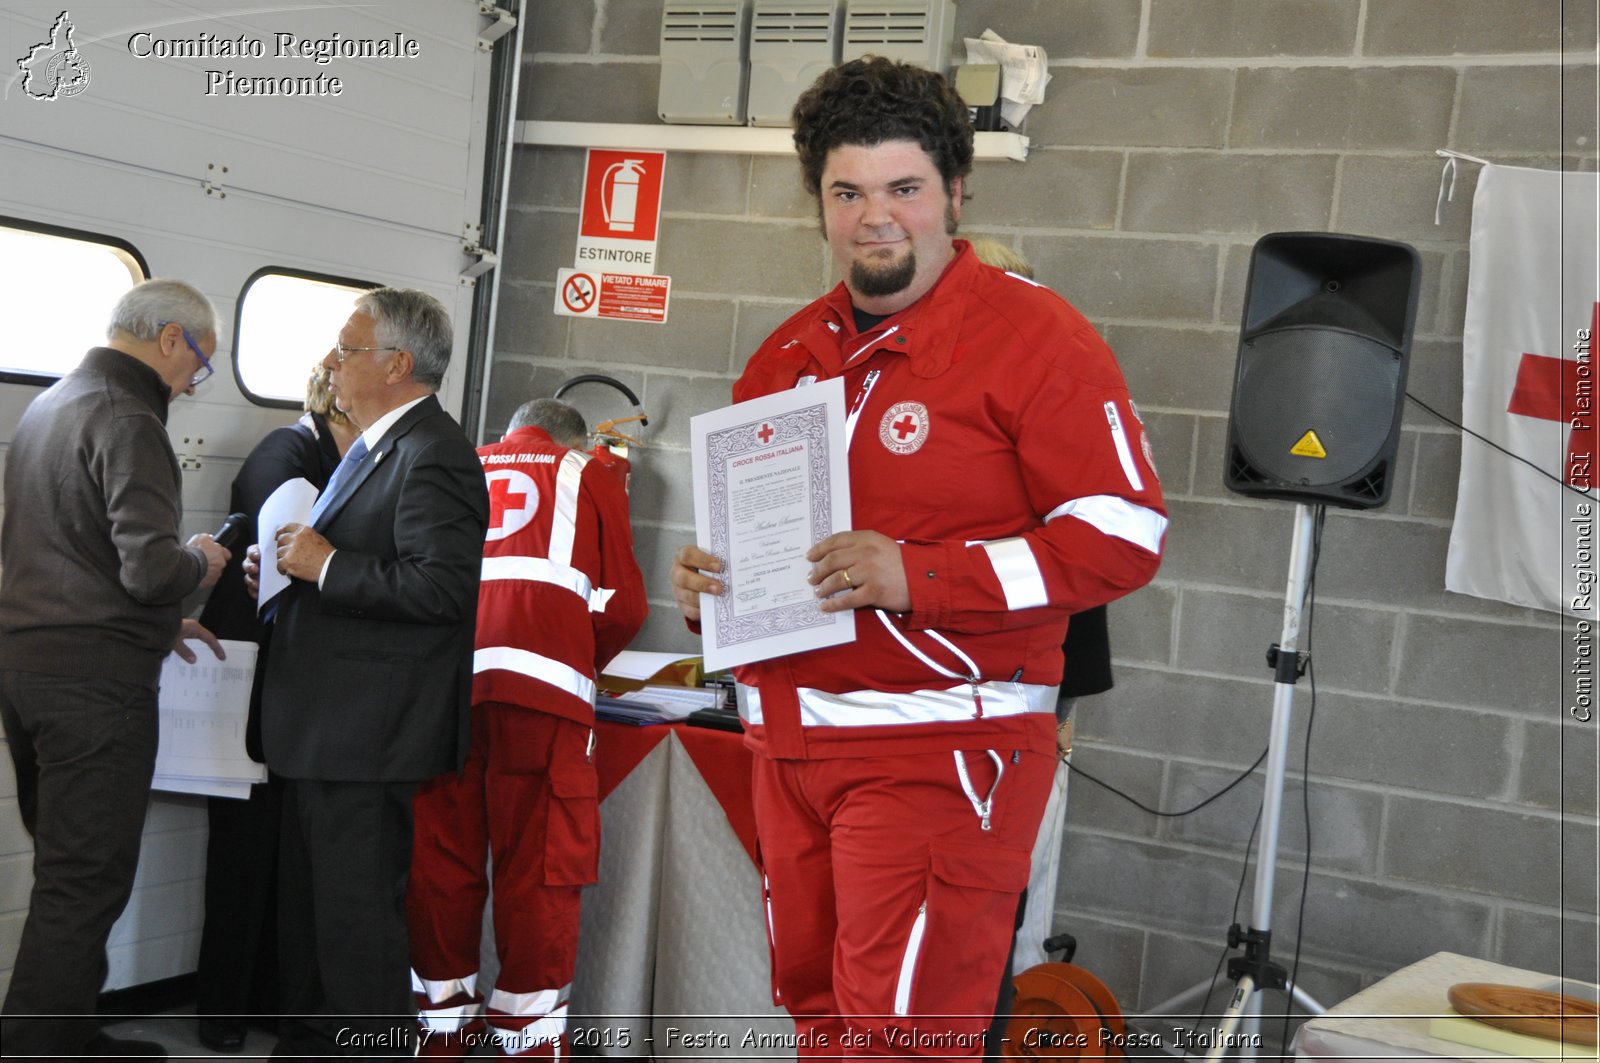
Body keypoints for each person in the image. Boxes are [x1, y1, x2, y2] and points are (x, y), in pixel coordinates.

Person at [670, 57, 1167, 1057]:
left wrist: (920, 574)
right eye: (847, 192)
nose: (875, 217)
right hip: (789, 751)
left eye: (902, 189)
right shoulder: (786, 350)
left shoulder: (1038, 340)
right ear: (818, 202)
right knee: (819, 1022)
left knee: (901, 1038)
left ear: (953, 191)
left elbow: (1125, 533)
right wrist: (713, 588)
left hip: (938, 755)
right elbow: (777, 544)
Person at [248, 287, 489, 1058]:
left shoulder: (435, 452)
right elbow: (355, 565)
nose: (331, 362)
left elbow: (441, 588)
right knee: (315, 926)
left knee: (357, 936)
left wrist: (329, 565)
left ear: (397, 363)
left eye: (346, 349)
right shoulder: (377, 444)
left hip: (368, 735)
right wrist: (286, 565)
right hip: (326, 729)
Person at [0, 278, 231, 1061]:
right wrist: (198, 560)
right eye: (198, 366)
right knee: (84, 880)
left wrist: (159, 627)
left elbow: (67, 550)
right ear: (172, 339)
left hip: (29, 672)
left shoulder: (52, 404)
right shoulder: (131, 417)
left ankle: (61, 1032)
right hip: (95, 691)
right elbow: (146, 566)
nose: (191, 385)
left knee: (66, 872)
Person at [405, 398, 647, 1058]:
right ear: (571, 439)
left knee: (441, 864)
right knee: (539, 872)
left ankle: (441, 1030)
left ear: (506, 435)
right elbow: (624, 606)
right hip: (544, 699)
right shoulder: (589, 473)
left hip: (447, 693)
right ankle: (528, 1041)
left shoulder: (455, 464)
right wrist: (576, 653)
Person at [192, 365, 361, 1052]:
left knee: (277, 848)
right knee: (244, 848)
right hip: (254, 675)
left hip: (285, 676)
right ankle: (222, 1008)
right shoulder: (286, 455)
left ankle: (262, 994)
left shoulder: (321, 454)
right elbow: (286, 559)